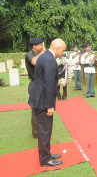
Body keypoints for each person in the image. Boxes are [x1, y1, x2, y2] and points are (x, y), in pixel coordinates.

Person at [28, 38, 66, 167]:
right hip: (43, 101)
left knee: (45, 130)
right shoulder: (49, 60)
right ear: (57, 48)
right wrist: (50, 106)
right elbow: (49, 84)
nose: (63, 52)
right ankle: (45, 160)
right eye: (63, 50)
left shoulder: (44, 56)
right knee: (45, 130)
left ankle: (47, 153)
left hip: (39, 97)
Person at [25, 38, 46, 139]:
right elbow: (34, 62)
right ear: (34, 46)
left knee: (43, 108)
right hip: (35, 85)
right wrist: (43, 52)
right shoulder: (29, 54)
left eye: (42, 45)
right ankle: (36, 133)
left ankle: (42, 130)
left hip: (43, 84)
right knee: (36, 110)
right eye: (40, 45)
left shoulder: (41, 54)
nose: (42, 47)